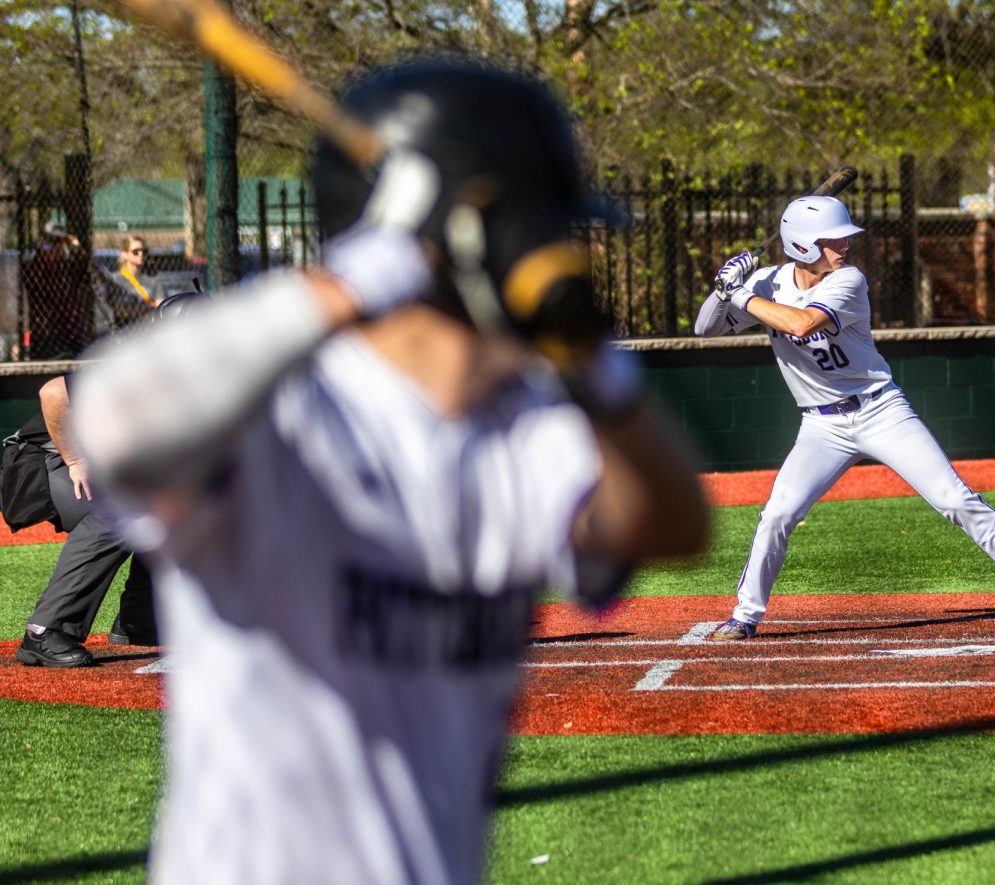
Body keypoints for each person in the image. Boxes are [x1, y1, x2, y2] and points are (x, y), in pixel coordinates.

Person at [71, 57, 709, 884]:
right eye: (542, 228)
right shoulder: (284, 411)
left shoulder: (523, 427)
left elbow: (669, 523)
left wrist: (594, 361)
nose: (558, 253)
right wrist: (367, 271)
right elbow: (116, 414)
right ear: (458, 238)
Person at [695, 195, 995, 640]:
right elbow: (705, 328)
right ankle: (745, 616)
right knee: (778, 513)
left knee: (954, 499)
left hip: (880, 409)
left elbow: (800, 324)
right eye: (832, 240)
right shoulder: (768, 284)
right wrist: (723, 290)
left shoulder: (848, 282)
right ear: (802, 246)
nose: (844, 246)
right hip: (821, 426)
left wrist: (741, 293)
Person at [14, 375, 157, 668]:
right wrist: (77, 460)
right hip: (45, 457)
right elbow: (53, 393)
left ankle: (140, 620)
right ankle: (44, 631)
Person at [21, 223, 95, 359]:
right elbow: (31, 278)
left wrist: (75, 246)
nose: (55, 246)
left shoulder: (68, 266)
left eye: (58, 241)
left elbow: (85, 266)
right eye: (52, 241)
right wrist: (43, 252)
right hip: (46, 334)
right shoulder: (35, 265)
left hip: (72, 332)